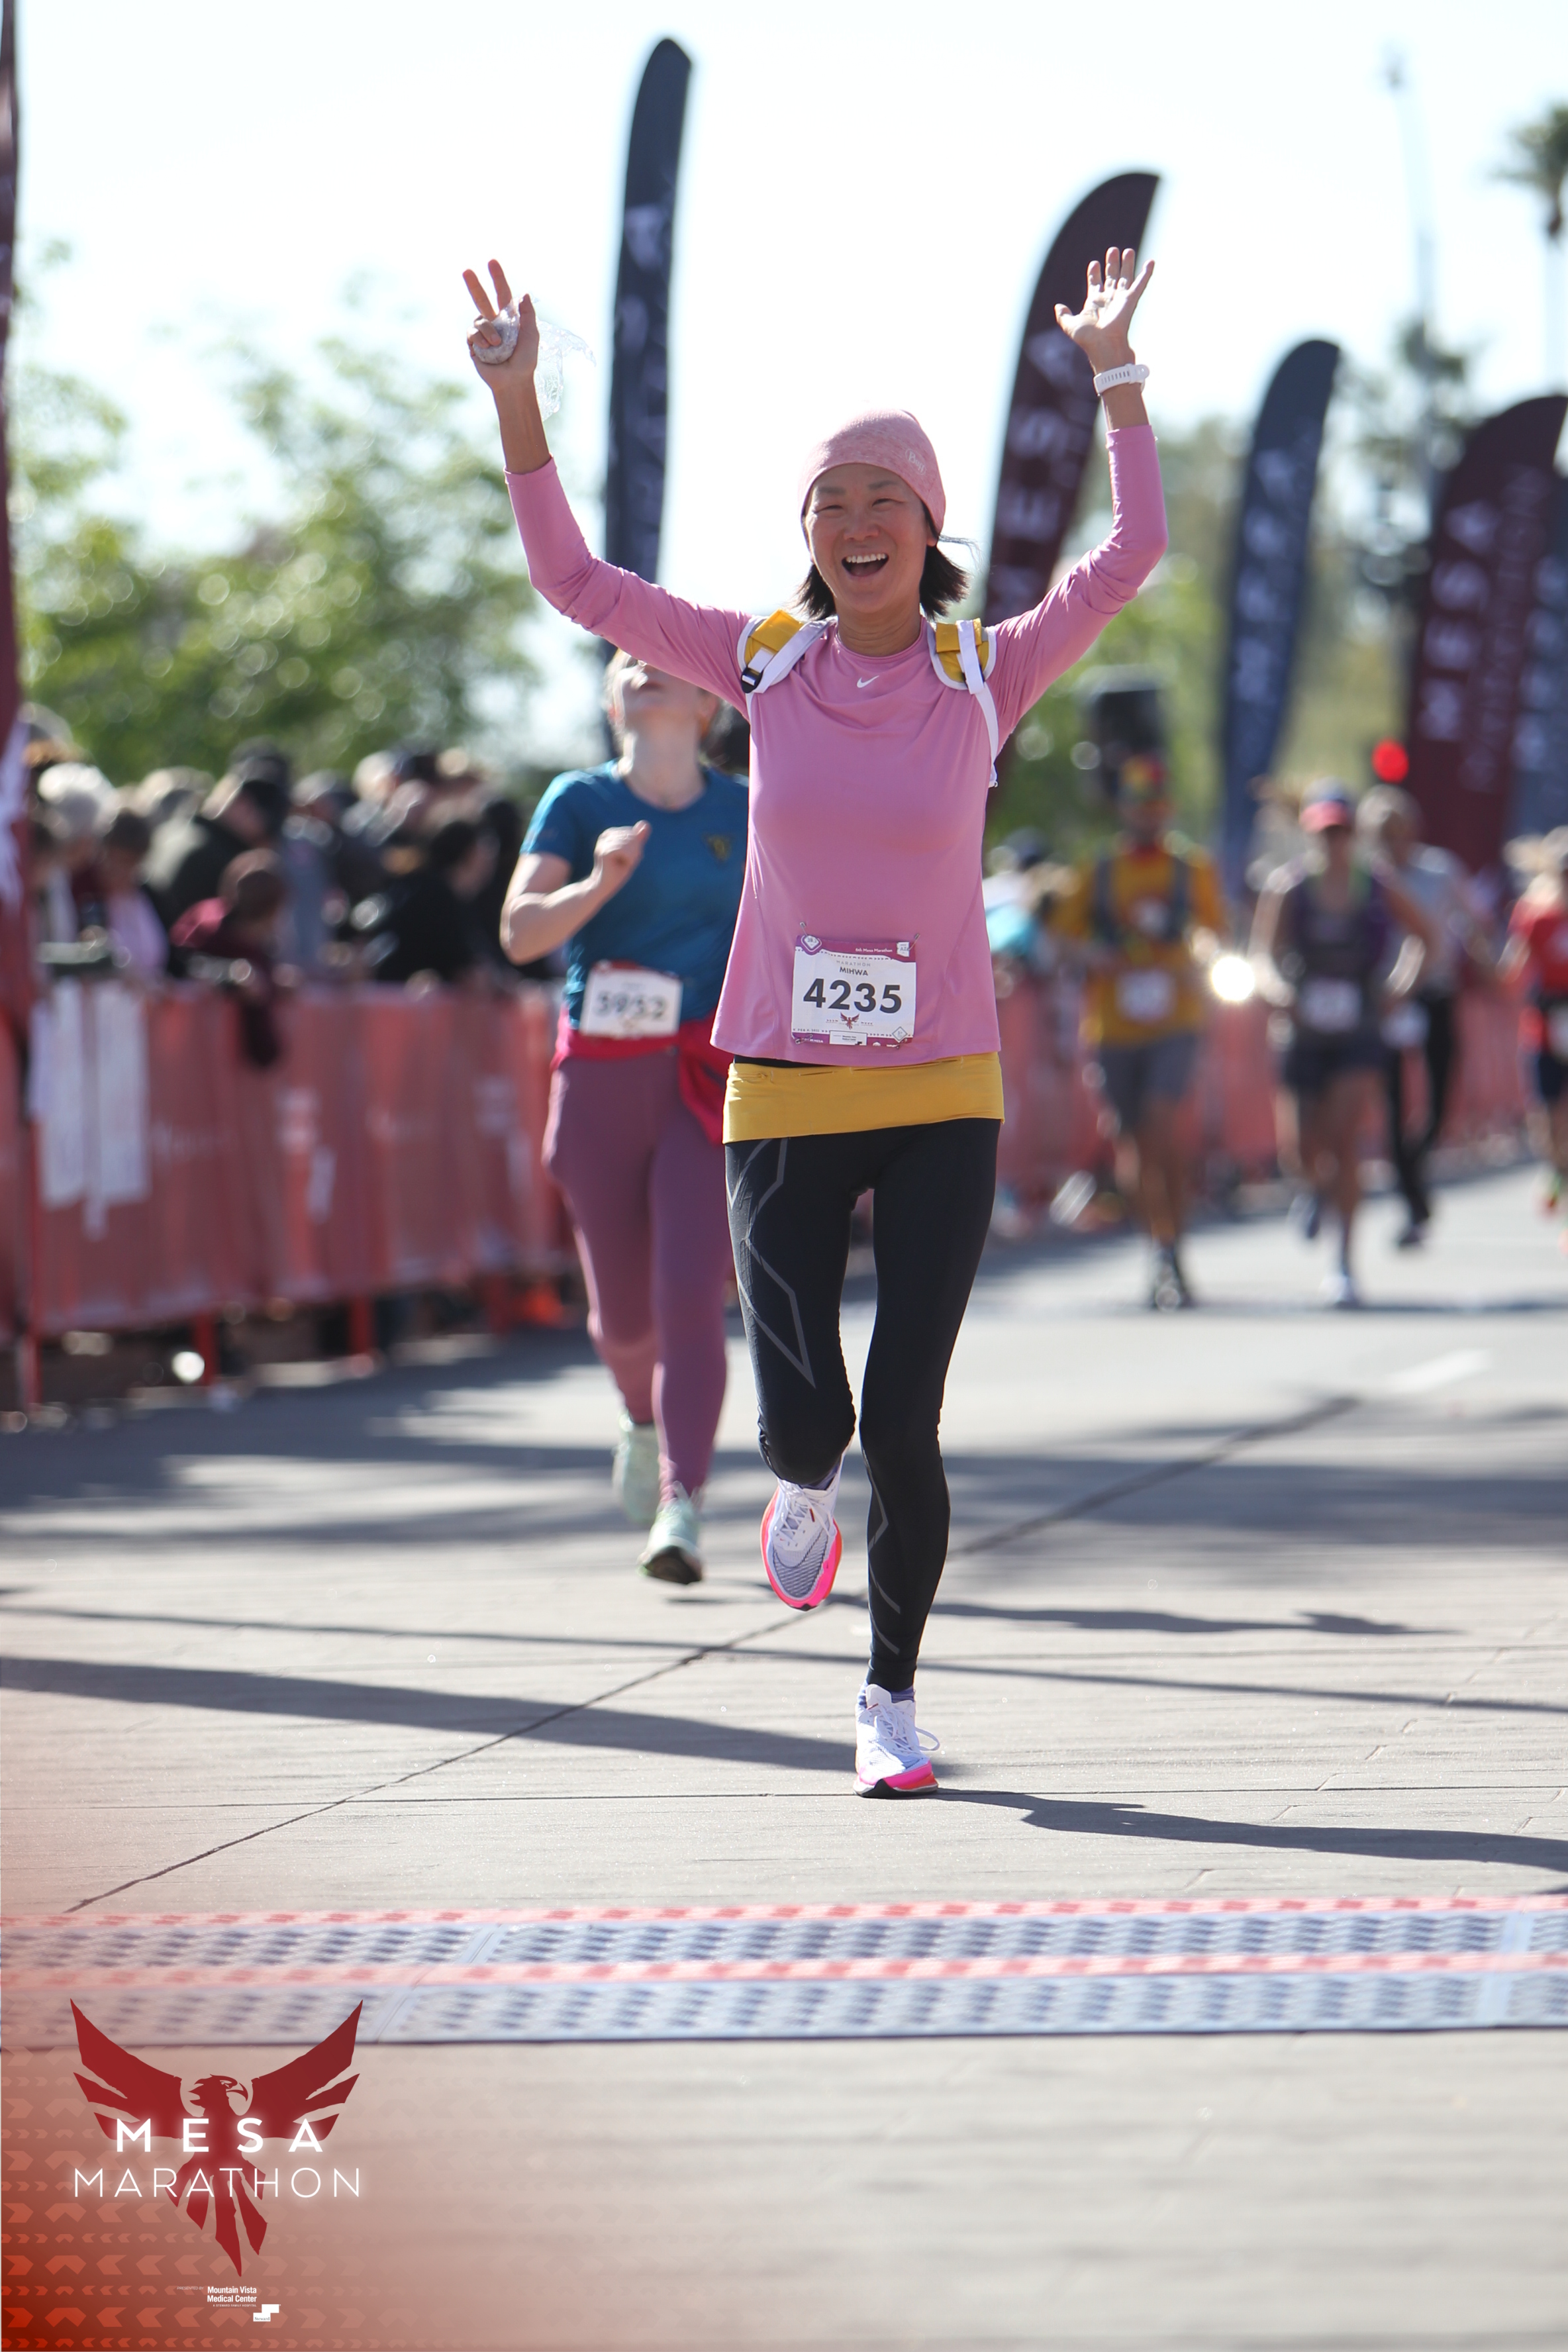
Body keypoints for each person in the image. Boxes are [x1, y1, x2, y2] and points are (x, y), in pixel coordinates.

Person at [466, 242, 1165, 1792]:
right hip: (781, 1081)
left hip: (942, 1088)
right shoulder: (761, 665)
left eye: (883, 499)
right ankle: (793, 1473)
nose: (855, 521)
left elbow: (1130, 555)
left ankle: (887, 1700)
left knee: (904, 1418)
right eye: (829, 501)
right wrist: (519, 401)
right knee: (814, 1414)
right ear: (807, 536)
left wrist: (1113, 375)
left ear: (929, 529)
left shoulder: (984, 671)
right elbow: (575, 584)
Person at [501, 653, 748, 1581]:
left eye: (666, 660)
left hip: (703, 1079)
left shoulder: (748, 809)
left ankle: (682, 1504)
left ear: (707, 703)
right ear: (612, 702)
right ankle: (640, 1418)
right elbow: (520, 932)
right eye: (627, 663)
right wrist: (599, 884)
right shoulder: (579, 800)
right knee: (623, 1323)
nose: (645, 666)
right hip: (601, 1077)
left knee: (688, 1296)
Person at [1250, 783, 1431, 1307]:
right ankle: (1313, 1188)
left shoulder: (1377, 884)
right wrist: (1279, 993)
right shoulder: (1288, 887)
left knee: (1345, 1140)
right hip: (1304, 1030)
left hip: (1358, 1030)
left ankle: (1345, 1263)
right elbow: (1262, 956)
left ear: (1354, 835)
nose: (1333, 843)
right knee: (1302, 1149)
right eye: (1324, 833)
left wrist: (1399, 990)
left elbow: (1427, 938)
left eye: (1342, 832)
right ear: (1311, 834)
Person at [1054, 752, 1224, 1307]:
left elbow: (1214, 933)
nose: (1147, 813)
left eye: (1155, 804)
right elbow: (1061, 939)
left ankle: (1175, 1246)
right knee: (1132, 1143)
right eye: (1137, 804)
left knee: (1163, 1125)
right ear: (1124, 809)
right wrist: (1094, 954)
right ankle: (1157, 1248)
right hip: (1114, 1027)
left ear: (1167, 808)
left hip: (1175, 1020)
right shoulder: (1098, 869)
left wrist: (1198, 956)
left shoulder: (1191, 868)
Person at [1359, 784, 1494, 1248]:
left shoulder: (1440, 871)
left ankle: (1416, 1162)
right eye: (1382, 834)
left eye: (1397, 831)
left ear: (1412, 830)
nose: (1391, 841)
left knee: (1439, 1099)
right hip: (1388, 1002)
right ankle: (1412, 1202)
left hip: (1434, 993)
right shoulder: (1368, 879)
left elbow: (1473, 921)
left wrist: (1486, 961)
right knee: (1394, 1103)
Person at [1498, 828, 1568, 1239]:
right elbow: (1513, 970)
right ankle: (1558, 1169)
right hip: (1544, 1030)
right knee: (1546, 1121)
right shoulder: (1534, 915)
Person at [144, 746, 291, 930]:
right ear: (244, 805)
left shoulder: (178, 829)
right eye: (264, 825)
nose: (264, 838)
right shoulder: (219, 860)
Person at [170, 852, 291, 1069]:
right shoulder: (206, 929)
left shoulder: (255, 951)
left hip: (210, 1068)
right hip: (183, 1057)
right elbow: (177, 963)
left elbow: (264, 1047)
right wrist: (229, 977)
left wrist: (272, 983)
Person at [360, 814, 495, 986]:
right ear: (468, 854)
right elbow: (461, 962)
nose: (489, 863)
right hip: (394, 991)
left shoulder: (423, 887)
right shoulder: (435, 897)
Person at [89, 805, 168, 980]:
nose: (119, 870)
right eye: (113, 859)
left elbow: (174, 964)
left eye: (129, 862)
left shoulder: (152, 896)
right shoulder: (84, 895)